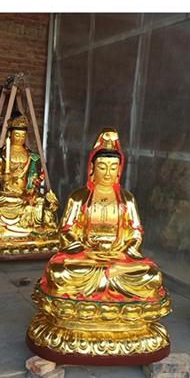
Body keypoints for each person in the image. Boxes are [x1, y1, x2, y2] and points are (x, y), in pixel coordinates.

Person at [41, 127, 164, 301]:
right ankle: (108, 280)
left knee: (152, 276)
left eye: (113, 168)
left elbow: (135, 234)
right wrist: (86, 252)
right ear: (92, 167)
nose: (107, 173)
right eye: (102, 167)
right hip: (86, 259)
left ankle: (107, 278)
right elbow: (66, 232)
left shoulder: (127, 199)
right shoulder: (78, 197)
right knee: (57, 273)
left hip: (118, 259)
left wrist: (122, 253)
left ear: (119, 170)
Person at [0, 111, 57, 236]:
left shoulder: (29, 153)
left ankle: (37, 229)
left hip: (25, 192)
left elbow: (32, 174)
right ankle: (2, 229)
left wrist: (37, 178)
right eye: (17, 135)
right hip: (8, 192)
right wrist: (2, 177)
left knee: (40, 200)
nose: (20, 139)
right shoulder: (2, 153)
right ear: (10, 134)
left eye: (23, 136)